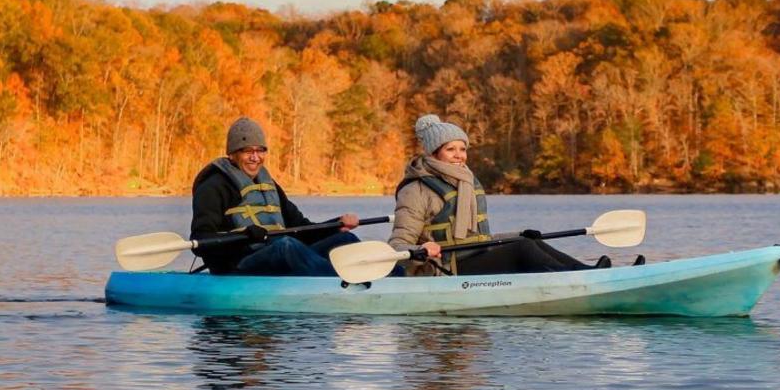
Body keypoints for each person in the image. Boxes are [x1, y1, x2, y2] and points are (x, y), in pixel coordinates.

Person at [388, 114, 615, 276]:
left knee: (526, 241)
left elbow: (477, 238)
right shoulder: (415, 189)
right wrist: (420, 250)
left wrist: (518, 233)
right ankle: (583, 279)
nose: (459, 155)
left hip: (471, 256)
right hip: (443, 267)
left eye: (462, 149)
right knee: (521, 249)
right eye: (451, 149)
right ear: (434, 152)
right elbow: (398, 243)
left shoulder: (464, 181)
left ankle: (587, 273)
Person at [190, 117, 359, 276]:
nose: (255, 157)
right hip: (237, 265)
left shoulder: (269, 185)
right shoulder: (212, 187)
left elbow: (300, 229)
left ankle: (381, 280)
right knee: (286, 245)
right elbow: (200, 241)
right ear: (232, 154)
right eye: (247, 151)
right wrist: (245, 236)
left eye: (260, 150)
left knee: (345, 239)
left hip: (275, 253)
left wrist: (336, 225)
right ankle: (340, 284)